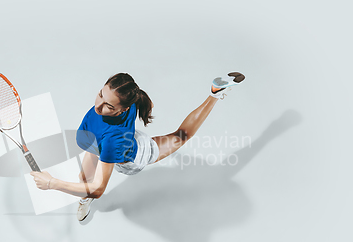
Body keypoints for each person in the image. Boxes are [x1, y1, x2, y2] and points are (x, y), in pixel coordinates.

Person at [30, 72, 245, 221]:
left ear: (122, 110)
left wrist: (52, 183)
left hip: (136, 153)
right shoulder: (126, 99)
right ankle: (215, 92)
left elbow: (98, 189)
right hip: (106, 141)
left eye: (108, 105)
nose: (98, 105)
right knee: (82, 180)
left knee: (181, 136)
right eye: (100, 94)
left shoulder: (113, 140)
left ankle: (214, 94)